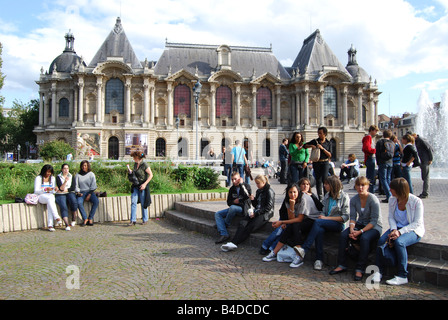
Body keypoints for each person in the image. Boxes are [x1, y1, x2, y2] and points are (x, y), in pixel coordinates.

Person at [373, 178, 424, 285]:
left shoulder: (416, 202)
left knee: (399, 242)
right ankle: (378, 271)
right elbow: (391, 217)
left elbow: (417, 223)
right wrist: (394, 229)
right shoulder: (392, 199)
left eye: (392, 189)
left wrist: (400, 232)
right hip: (396, 227)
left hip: (413, 230)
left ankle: (402, 275)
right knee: (381, 240)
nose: (390, 190)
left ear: (399, 190)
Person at [330, 176, 382, 281]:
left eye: (363, 185)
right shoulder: (354, 199)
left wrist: (360, 232)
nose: (360, 188)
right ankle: (342, 264)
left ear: (367, 186)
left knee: (365, 238)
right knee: (344, 236)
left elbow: (374, 221)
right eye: (358, 185)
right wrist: (352, 229)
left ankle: (360, 268)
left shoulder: (373, 199)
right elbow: (353, 217)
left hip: (374, 226)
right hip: (360, 224)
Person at [262, 179, 321, 268]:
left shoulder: (303, 199)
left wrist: (282, 221)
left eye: (294, 192)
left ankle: (299, 256)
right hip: (300, 220)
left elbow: (299, 219)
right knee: (291, 226)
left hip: (311, 218)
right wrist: (292, 206)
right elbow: (291, 218)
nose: (293, 195)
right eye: (290, 192)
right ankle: (274, 252)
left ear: (298, 192)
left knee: (295, 225)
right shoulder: (288, 200)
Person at [294, 175, 350, 270]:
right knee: (319, 230)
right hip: (324, 222)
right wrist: (322, 216)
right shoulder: (327, 196)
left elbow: (345, 217)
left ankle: (304, 249)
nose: (324, 186)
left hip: (337, 224)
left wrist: (326, 218)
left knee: (318, 223)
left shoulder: (344, 197)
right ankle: (319, 260)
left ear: (332, 185)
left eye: (326, 184)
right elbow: (323, 210)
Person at [221, 175, 275, 252]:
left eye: (258, 183)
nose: (257, 185)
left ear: (263, 182)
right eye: (256, 183)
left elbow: (268, 208)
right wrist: (253, 200)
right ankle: (233, 243)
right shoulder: (259, 191)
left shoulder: (269, 191)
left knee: (249, 227)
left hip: (265, 214)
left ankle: (235, 243)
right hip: (257, 211)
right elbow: (256, 205)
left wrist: (256, 214)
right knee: (243, 222)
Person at [214, 171, 251, 244]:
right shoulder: (232, 189)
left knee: (232, 208)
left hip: (243, 209)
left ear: (240, 178)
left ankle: (224, 224)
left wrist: (241, 184)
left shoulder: (246, 186)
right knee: (218, 214)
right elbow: (229, 202)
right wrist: (234, 202)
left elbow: (247, 196)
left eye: (235, 179)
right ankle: (224, 234)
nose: (234, 181)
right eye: (232, 180)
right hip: (233, 208)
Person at [304, 127, 332, 200]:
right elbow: (304, 145)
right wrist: (311, 146)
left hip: (325, 162)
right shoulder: (315, 141)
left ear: (325, 134)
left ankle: (326, 196)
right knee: (318, 180)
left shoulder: (328, 143)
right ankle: (320, 197)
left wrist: (322, 148)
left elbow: (330, 155)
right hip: (316, 163)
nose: (319, 135)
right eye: (318, 133)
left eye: (321, 133)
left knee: (325, 179)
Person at [127, 151, 153, 225]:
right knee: (133, 202)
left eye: (134, 158)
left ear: (138, 158)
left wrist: (145, 184)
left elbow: (151, 175)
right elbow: (136, 173)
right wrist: (131, 172)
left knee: (143, 202)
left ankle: (145, 219)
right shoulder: (135, 164)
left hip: (142, 185)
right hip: (135, 185)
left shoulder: (144, 165)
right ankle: (132, 220)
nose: (134, 159)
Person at [34, 164, 61, 232]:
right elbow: (36, 191)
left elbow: (53, 191)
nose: (48, 174)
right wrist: (45, 189)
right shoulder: (39, 178)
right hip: (41, 196)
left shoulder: (52, 178)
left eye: (50, 172)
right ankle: (56, 217)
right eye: (47, 172)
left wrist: (54, 189)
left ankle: (50, 225)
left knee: (50, 200)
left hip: (49, 196)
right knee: (50, 199)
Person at [75, 160, 99, 226]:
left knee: (96, 201)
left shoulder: (91, 174)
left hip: (90, 191)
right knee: (79, 202)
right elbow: (76, 186)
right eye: (82, 166)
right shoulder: (78, 175)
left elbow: (93, 185)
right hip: (81, 192)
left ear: (87, 166)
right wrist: (78, 192)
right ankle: (85, 218)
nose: (84, 167)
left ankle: (90, 218)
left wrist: (89, 194)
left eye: (85, 166)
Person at [55, 163, 78, 230]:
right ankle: (66, 224)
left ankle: (73, 219)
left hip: (69, 192)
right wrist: (65, 182)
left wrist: (66, 189)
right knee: (63, 206)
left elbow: (73, 187)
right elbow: (61, 188)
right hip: (60, 194)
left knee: (73, 201)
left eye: (67, 168)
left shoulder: (71, 176)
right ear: (62, 169)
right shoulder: (58, 177)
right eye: (64, 168)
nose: (66, 170)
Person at [376, 129, 395, 203]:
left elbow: (377, 153)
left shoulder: (380, 142)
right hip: (390, 162)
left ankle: (389, 196)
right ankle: (392, 195)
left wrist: (378, 162)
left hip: (383, 162)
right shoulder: (392, 143)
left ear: (383, 135)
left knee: (383, 179)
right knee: (388, 179)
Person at [412, 133, 434, 199]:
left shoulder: (421, 140)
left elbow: (429, 148)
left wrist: (430, 159)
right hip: (423, 160)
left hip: (426, 160)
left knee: (426, 177)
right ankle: (425, 192)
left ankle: (425, 193)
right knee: (424, 177)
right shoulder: (417, 141)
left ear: (414, 135)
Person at [362, 125, 379, 193]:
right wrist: (375, 150)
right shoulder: (368, 137)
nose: (376, 133)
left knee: (371, 176)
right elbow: (366, 148)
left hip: (370, 158)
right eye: (375, 131)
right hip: (370, 157)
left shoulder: (369, 137)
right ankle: (370, 191)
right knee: (371, 177)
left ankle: (370, 191)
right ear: (371, 130)